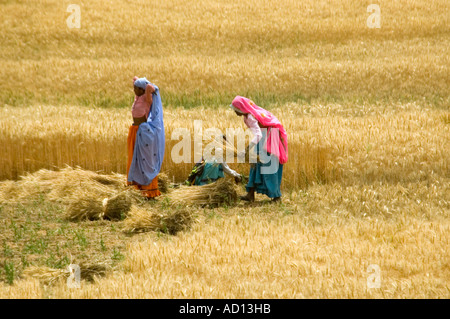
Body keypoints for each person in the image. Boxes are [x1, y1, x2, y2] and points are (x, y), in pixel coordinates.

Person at [230, 96, 288, 202]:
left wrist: (247, 148)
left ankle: (276, 196)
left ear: (241, 108)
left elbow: (258, 135)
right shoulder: (247, 117)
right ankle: (250, 194)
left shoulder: (251, 117)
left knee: (269, 167)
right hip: (263, 138)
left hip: (269, 138)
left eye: (235, 109)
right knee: (255, 164)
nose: (235, 112)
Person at [127, 76, 165, 199]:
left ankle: (149, 190)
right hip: (135, 131)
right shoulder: (138, 98)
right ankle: (136, 187)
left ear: (142, 89)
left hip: (143, 132)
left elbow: (152, 88)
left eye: (137, 88)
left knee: (145, 160)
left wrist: (148, 88)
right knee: (135, 159)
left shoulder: (147, 99)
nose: (134, 90)